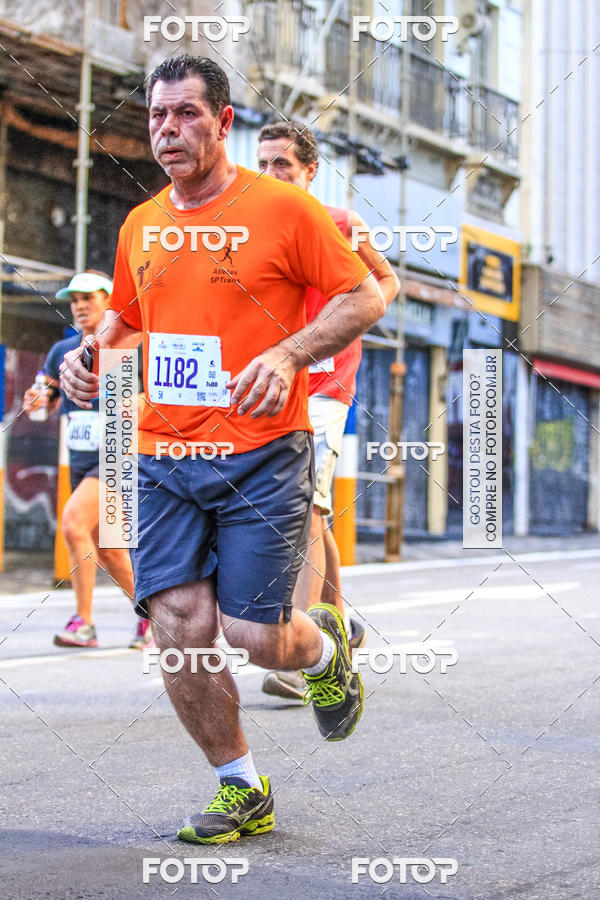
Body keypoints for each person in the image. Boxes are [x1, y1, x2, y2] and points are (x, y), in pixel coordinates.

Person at [60, 55, 385, 845]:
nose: (168, 131)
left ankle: (324, 648)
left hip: (263, 454)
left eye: (186, 115)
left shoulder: (284, 211)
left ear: (223, 121)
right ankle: (240, 786)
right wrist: (90, 356)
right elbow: (128, 322)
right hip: (163, 455)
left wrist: (289, 354)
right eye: (157, 117)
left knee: (255, 636)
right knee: (177, 620)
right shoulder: (142, 225)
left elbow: (366, 294)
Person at [257, 121, 400, 700]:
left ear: (310, 171)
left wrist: (340, 329)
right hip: (273, 389)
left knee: (307, 512)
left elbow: (385, 283)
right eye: (262, 164)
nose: (270, 175)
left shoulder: (340, 223)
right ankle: (338, 626)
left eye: (282, 165)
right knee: (311, 512)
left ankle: (301, 657)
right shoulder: (255, 228)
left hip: (323, 388)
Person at [23, 270, 152, 650]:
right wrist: (38, 401)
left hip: (117, 454)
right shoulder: (61, 352)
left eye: (88, 298)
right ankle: (153, 618)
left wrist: (133, 409)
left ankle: (84, 624)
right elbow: (43, 401)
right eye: (74, 300)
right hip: (79, 459)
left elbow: (150, 401)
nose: (79, 306)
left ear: (109, 301)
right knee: (111, 552)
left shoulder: (128, 347)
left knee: (73, 522)